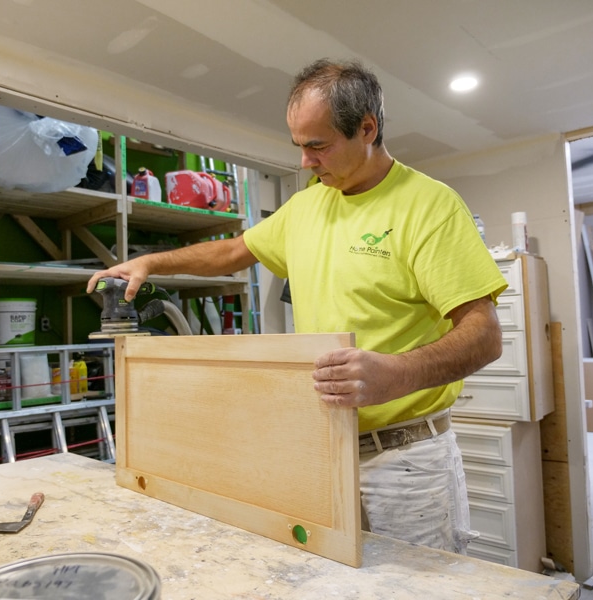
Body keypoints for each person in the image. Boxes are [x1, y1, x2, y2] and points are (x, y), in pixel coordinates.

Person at [86, 58, 508, 554]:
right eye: (299, 147)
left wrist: (396, 373)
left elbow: (485, 335)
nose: (306, 162)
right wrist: (150, 263)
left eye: (318, 145)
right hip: (323, 447)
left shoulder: (430, 206)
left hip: (406, 459)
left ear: (367, 127)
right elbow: (232, 251)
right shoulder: (308, 204)